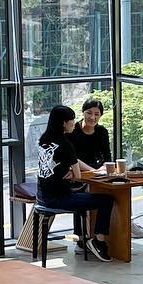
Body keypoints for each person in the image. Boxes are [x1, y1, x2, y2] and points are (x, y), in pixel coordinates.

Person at [36, 104, 115, 262]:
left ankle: (83, 239)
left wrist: (77, 170)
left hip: (42, 197)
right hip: (60, 197)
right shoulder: (66, 145)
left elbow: (72, 164)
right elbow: (78, 176)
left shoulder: (45, 140)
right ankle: (98, 241)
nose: (74, 122)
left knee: (83, 194)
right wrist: (76, 172)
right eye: (71, 120)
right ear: (64, 123)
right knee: (106, 200)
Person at [68, 97, 113, 171]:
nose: (92, 117)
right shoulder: (72, 131)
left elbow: (107, 156)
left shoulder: (102, 131)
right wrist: (94, 171)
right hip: (78, 171)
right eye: (89, 113)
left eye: (96, 114)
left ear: (100, 115)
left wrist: (104, 167)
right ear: (83, 112)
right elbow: (70, 158)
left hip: (99, 171)